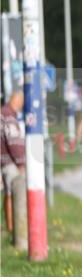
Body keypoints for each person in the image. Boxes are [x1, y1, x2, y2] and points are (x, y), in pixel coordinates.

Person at [1, 92, 26, 246]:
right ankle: (15, 232)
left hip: (2, 160)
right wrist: (21, 162)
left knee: (7, 194)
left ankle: (10, 228)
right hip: (9, 162)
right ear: (18, 101)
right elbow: (13, 142)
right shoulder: (9, 116)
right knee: (13, 193)